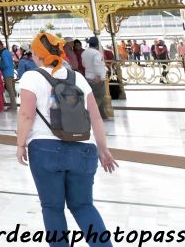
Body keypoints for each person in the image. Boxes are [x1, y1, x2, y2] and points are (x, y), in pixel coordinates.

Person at [16, 33, 117, 247]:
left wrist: (21, 144)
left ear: (38, 55)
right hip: (83, 149)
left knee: (52, 208)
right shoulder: (77, 77)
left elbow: (26, 115)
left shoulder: (31, 77)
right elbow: (95, 115)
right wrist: (103, 148)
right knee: (83, 206)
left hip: (45, 149)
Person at [82, 36, 109, 120]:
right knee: (99, 95)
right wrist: (98, 75)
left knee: (96, 96)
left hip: (88, 77)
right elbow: (97, 64)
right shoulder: (96, 53)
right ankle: (90, 115)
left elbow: (83, 64)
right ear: (97, 44)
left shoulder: (84, 53)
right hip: (96, 78)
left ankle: (103, 115)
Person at [0, 39, 17, 110]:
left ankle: (13, 106)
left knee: (10, 90)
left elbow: (6, 64)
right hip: (11, 72)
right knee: (12, 90)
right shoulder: (7, 51)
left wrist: (0, 66)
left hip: (7, 73)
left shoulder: (3, 53)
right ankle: (14, 105)